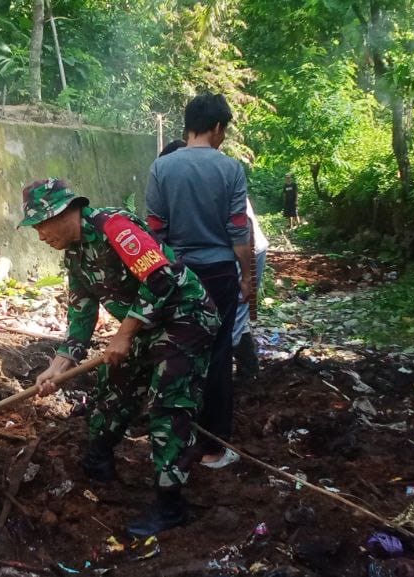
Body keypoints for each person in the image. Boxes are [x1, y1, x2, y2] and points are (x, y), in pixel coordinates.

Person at [21, 179, 220, 537]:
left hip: (185, 317)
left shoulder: (115, 226)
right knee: (113, 388)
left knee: (168, 405)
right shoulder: (75, 255)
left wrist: (124, 334)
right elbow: (81, 314)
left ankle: (170, 505)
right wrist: (57, 367)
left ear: (64, 212)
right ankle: (98, 461)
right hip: (144, 325)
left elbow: (161, 277)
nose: (39, 236)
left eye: (40, 225)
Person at [145, 94, 252, 469]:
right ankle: (212, 448)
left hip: (178, 275)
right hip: (220, 273)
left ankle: (174, 436)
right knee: (219, 357)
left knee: (179, 354)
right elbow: (238, 231)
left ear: (187, 124)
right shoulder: (231, 169)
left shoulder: (162, 168)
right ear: (218, 127)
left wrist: (159, 278)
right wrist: (247, 279)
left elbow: (155, 230)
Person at [232, 200, 269, 379]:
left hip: (245, 249)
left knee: (236, 311)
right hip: (242, 247)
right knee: (237, 314)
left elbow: (241, 228)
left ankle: (231, 380)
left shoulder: (222, 180)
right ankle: (249, 370)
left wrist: (247, 277)